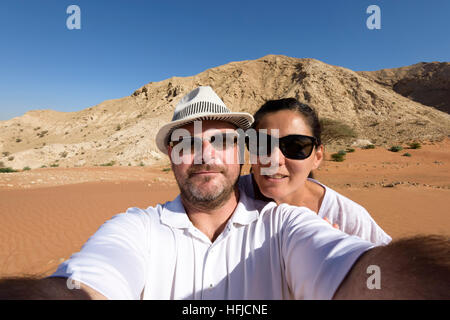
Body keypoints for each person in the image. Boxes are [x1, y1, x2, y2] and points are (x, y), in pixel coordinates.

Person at [0, 86, 448, 300]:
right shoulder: (136, 228)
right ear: (171, 156)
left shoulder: (287, 222)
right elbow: (82, 287)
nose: (204, 154)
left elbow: (368, 272)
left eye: (222, 140)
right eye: (186, 142)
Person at [239, 98, 391, 245]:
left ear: (317, 157)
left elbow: (386, 267)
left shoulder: (347, 218)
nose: (275, 159)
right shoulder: (229, 198)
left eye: (295, 147)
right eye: (261, 144)